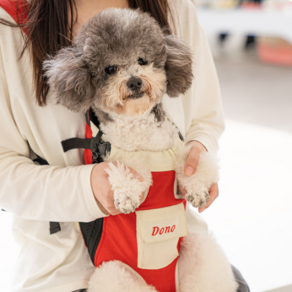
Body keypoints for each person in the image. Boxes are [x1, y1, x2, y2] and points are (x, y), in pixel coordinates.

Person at [0, 0, 249, 291]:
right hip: (66, 270)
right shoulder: (11, 25)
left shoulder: (176, 9)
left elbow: (205, 119)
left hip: (177, 250)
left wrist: (196, 153)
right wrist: (87, 187)